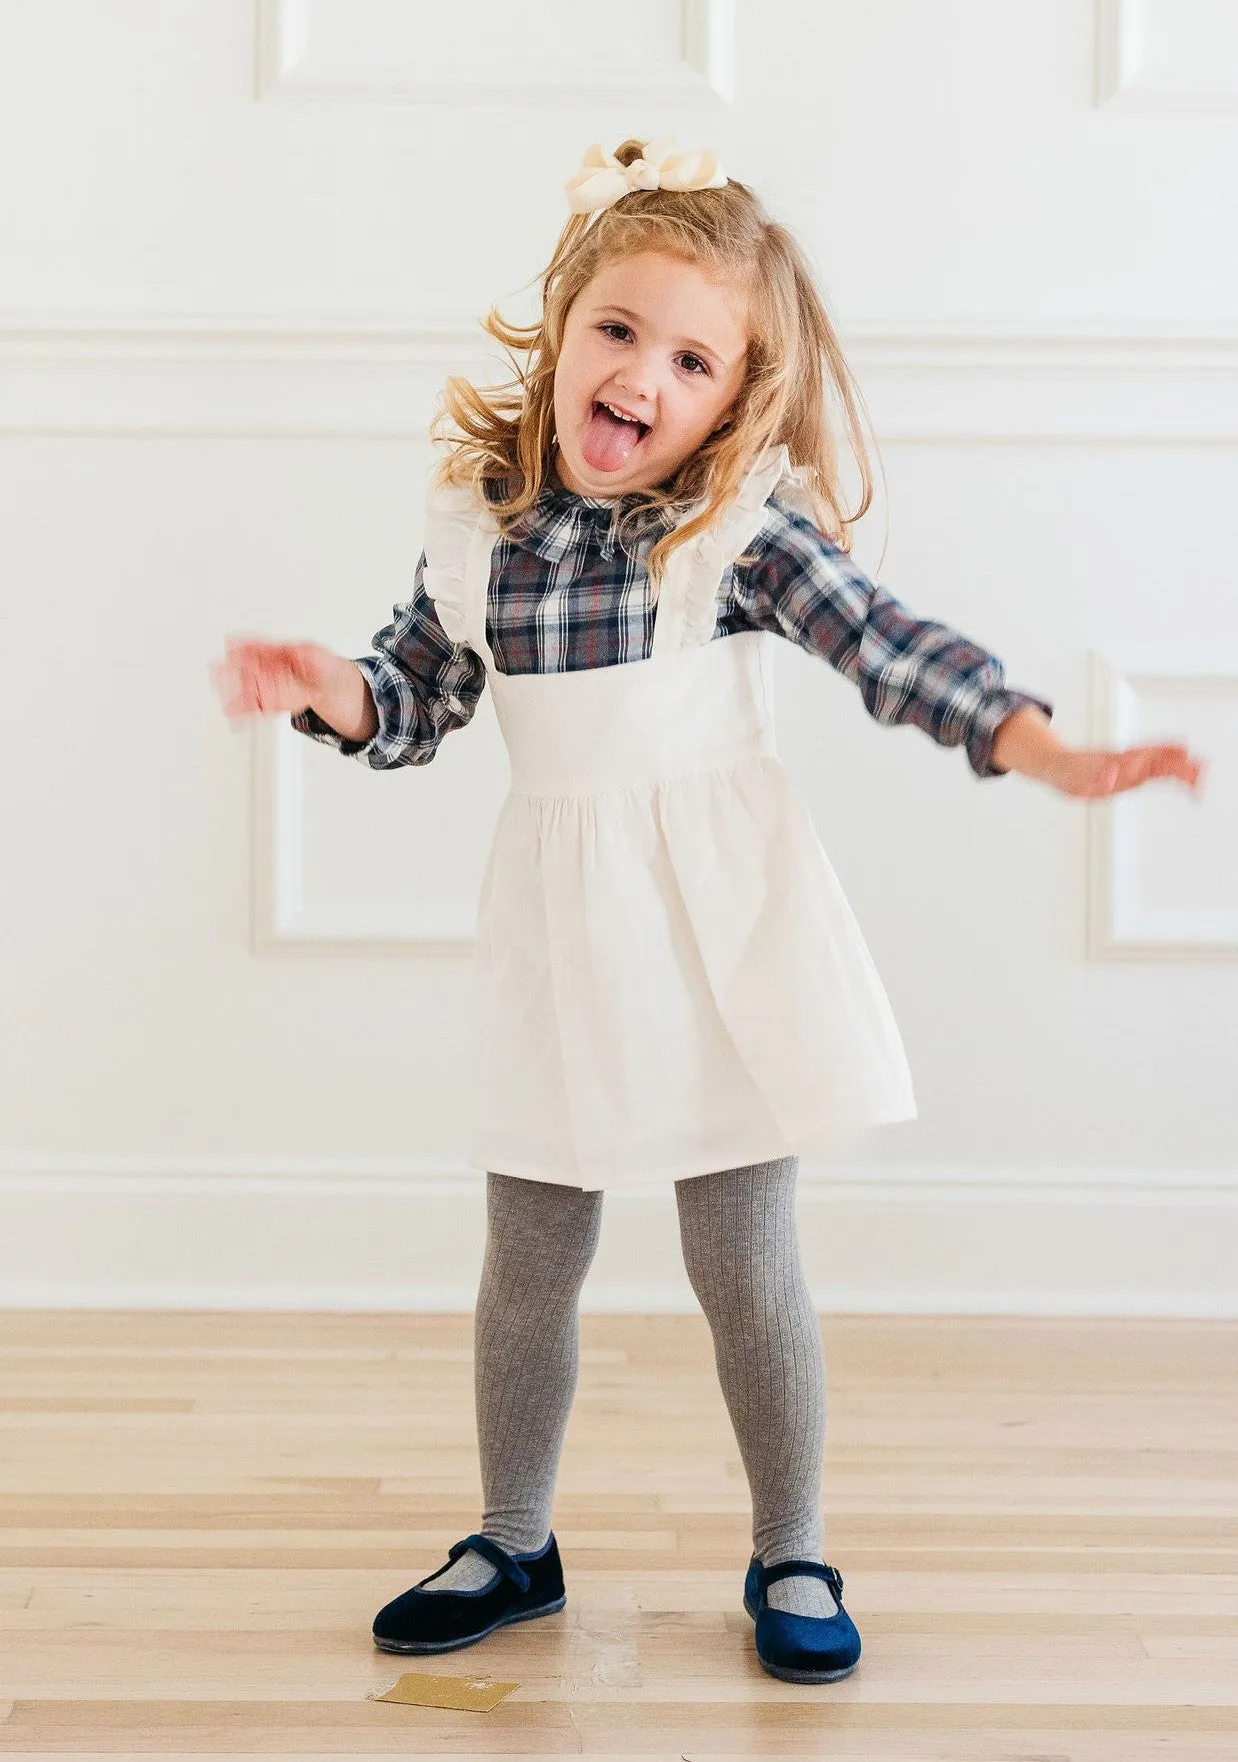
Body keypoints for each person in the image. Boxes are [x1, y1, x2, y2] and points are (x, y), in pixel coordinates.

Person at [210, 137, 1205, 1685]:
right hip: (557, 926)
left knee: (743, 1259)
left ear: (730, 399)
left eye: (689, 359)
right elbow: (415, 698)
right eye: (618, 331)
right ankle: (512, 1536)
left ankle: (790, 1538)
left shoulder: (731, 533)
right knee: (527, 1252)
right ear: (562, 326)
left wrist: (1041, 745)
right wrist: (335, 687)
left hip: (717, 924)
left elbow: (886, 647)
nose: (640, 376)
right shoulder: (479, 528)